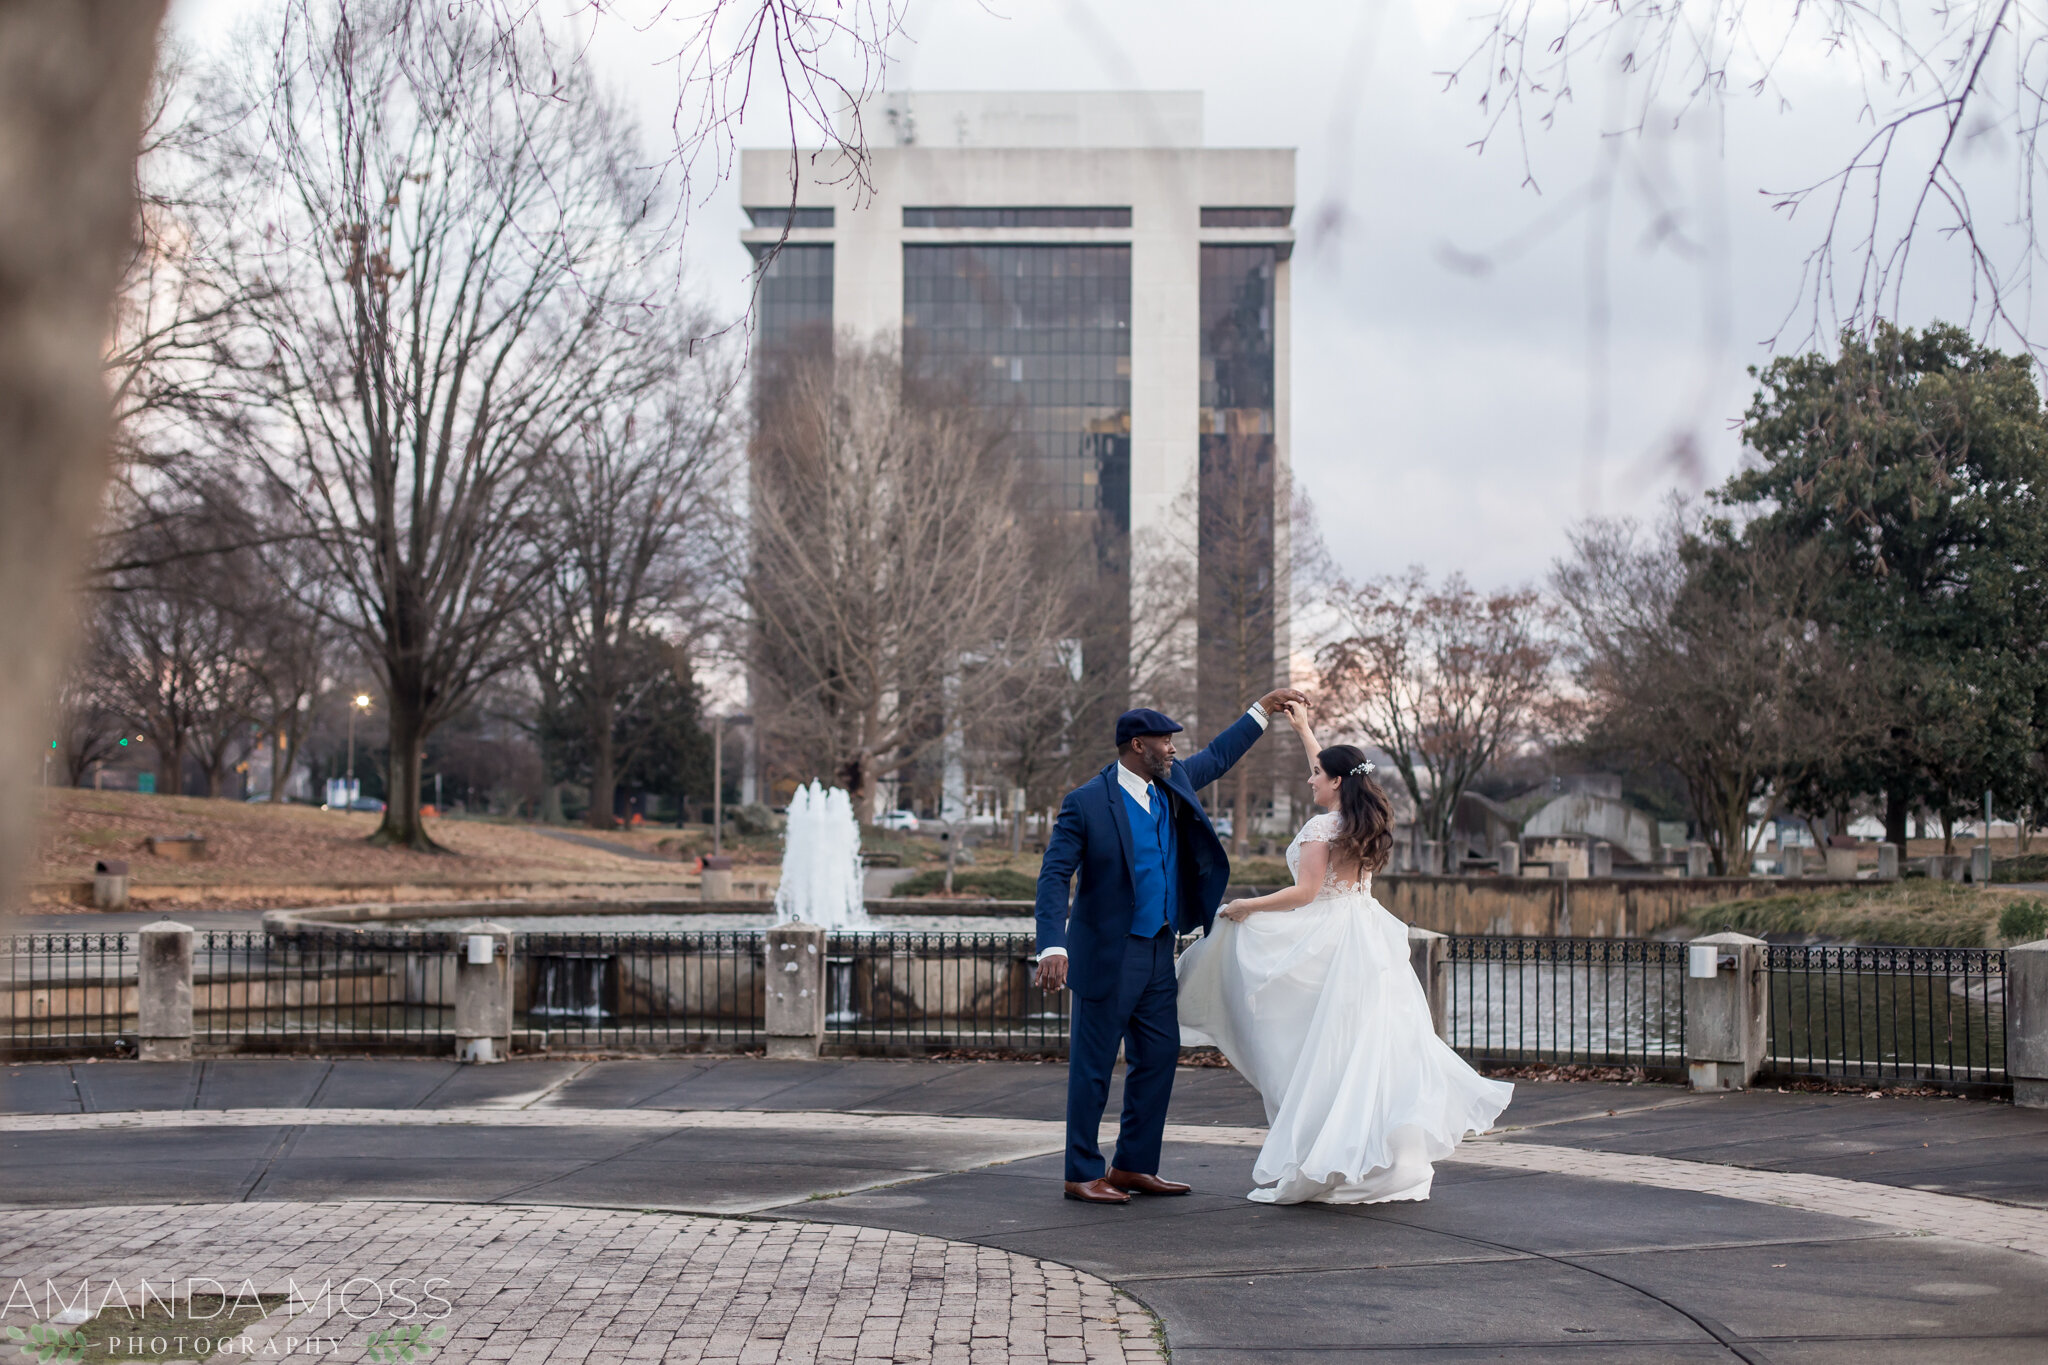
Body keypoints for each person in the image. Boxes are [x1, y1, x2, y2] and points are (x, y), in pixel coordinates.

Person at [1176, 701, 1514, 1203]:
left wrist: (1247, 905)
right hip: (1366, 932)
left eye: (1315, 775)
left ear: (1336, 782)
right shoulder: (1361, 818)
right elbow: (1333, 768)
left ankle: (1332, 1153)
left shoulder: (1320, 828)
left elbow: (1305, 894)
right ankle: (1372, 1155)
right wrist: (1305, 730)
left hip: (1327, 934)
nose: (1308, 780)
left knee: (1317, 1047)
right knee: (1366, 1048)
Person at [1033, 689, 1307, 1204]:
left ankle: (1133, 1165)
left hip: (1159, 951)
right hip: (1106, 955)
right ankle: (1081, 1172)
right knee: (1092, 1069)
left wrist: (1260, 711)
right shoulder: (1087, 802)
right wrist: (1052, 946)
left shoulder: (1172, 785)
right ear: (1139, 745)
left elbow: (1219, 756)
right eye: (1165, 740)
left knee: (1158, 1058)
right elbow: (1054, 878)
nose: (1174, 749)